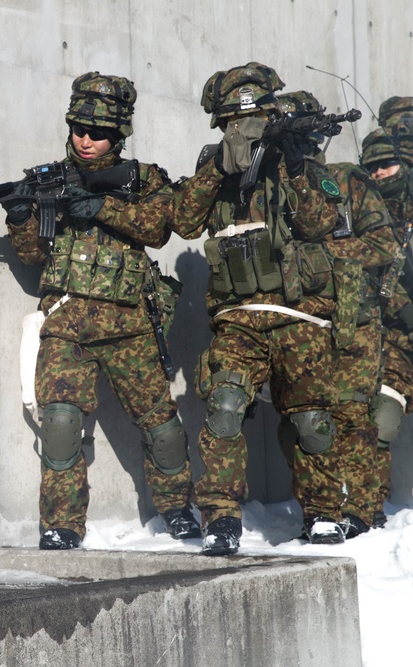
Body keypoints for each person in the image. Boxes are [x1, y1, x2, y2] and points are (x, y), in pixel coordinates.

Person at [4, 72, 199, 550]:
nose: (86, 140)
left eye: (99, 133)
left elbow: (160, 227)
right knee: (61, 425)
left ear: (119, 135)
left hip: (131, 324)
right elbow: (32, 256)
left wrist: (102, 208)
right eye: (79, 129)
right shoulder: (47, 181)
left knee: (163, 427)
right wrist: (19, 217)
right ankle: (62, 525)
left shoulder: (143, 179)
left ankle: (178, 511)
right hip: (67, 325)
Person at [172, 63, 344, 555]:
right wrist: (218, 169)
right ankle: (221, 518)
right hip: (239, 317)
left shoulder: (297, 162)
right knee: (224, 409)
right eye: (235, 122)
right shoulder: (215, 165)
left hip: (299, 313)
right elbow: (183, 222)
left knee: (311, 419)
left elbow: (319, 223)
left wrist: (292, 163)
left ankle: (325, 512)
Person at [273, 91, 396, 541]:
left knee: (352, 418)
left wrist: (323, 254)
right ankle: (318, 510)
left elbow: (384, 245)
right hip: (295, 322)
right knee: (301, 424)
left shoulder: (347, 181)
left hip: (351, 320)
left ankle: (360, 511)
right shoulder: (272, 184)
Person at [359, 97, 413, 529]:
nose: (380, 174)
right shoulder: (362, 213)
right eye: (372, 166)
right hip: (393, 338)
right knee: (382, 417)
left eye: (388, 165)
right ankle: (370, 511)